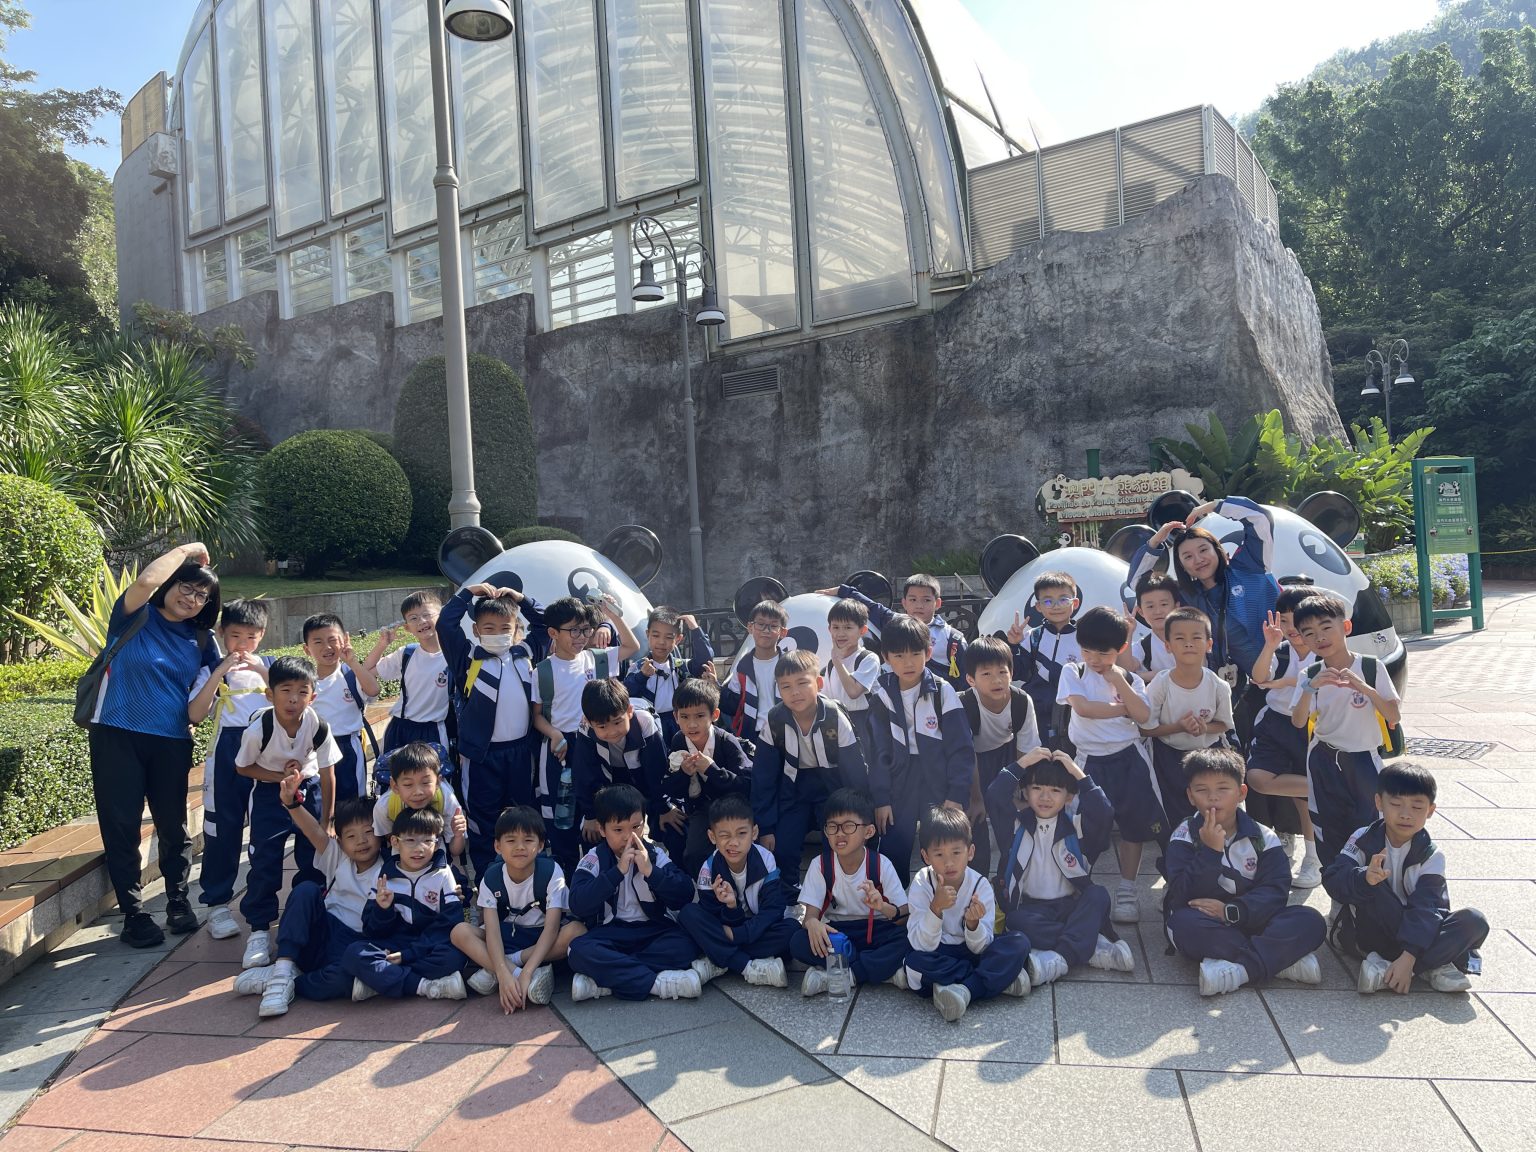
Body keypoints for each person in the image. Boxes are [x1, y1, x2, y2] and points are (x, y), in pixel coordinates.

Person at [85, 540, 221, 947]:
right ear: (170, 584)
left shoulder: (202, 640)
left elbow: (221, 686)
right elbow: (146, 580)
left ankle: (178, 900)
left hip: (171, 741)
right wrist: (189, 549)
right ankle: (133, 914)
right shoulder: (134, 616)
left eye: (202, 595)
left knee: (173, 826)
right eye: (186, 587)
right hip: (116, 733)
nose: (192, 598)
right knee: (122, 825)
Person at [1163, 748, 1326, 996]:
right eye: (1202, 790)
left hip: (1254, 919)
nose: (1213, 798)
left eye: (1222, 789)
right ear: (1190, 796)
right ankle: (1278, 961)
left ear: (1241, 793)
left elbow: (1275, 891)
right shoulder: (1183, 836)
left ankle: (1240, 970)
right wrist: (1210, 852)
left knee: (1310, 920)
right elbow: (1181, 895)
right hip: (1206, 922)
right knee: (1183, 925)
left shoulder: (1263, 836)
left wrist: (1232, 911)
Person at [1324, 763, 1489, 995]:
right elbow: (1333, 879)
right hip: (1372, 931)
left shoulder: (1431, 855)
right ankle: (1434, 965)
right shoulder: (1363, 837)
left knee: (1474, 920)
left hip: (1414, 933)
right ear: (1379, 802)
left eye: (1417, 806)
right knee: (1376, 886)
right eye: (1395, 804)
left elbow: (1427, 908)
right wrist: (1364, 878)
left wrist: (1409, 957)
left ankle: (1393, 971)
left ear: (1430, 810)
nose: (1405, 814)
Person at [231, 788, 382, 1018]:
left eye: (368, 832)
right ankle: (283, 968)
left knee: (349, 981)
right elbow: (312, 831)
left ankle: (291, 980)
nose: (361, 841)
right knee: (306, 889)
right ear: (340, 842)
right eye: (351, 836)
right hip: (319, 933)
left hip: (351, 945)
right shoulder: (338, 858)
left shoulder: (390, 869)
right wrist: (291, 803)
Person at [1056, 606, 1164, 924]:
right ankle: (1078, 884)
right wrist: (1122, 710)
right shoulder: (1073, 671)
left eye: (1103, 653)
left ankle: (1127, 889)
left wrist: (1120, 681)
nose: (1094, 659)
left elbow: (1144, 717)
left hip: (1129, 757)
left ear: (1121, 648)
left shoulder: (1130, 678)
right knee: (1082, 825)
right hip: (1087, 761)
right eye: (1087, 650)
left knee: (1134, 825)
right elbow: (1084, 708)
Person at [1128, 497, 1281, 719]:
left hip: (1282, 665)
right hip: (1228, 686)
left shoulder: (1250, 566)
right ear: (1182, 566)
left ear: (1217, 549)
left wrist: (1214, 506)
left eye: (1203, 550)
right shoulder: (1187, 596)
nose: (1198, 559)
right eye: (1187, 557)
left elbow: (1260, 519)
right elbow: (1138, 583)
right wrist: (1156, 541)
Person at [234, 655, 342, 971]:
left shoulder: (318, 725)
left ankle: (306, 919)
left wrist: (327, 821)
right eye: (285, 690)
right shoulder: (259, 729)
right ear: (270, 694)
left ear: (313, 696)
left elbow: (328, 773)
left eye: (302, 691)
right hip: (270, 795)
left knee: (314, 859)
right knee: (265, 861)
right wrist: (280, 778)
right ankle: (259, 929)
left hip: (308, 790)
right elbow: (243, 767)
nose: (294, 699)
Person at [987, 749, 1130, 985]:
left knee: (1098, 895)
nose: (1045, 797)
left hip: (1070, 906)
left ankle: (1060, 958)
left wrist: (1078, 774)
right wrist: (1023, 763)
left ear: (1069, 797)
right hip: (1032, 909)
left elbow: (1104, 812)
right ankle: (1089, 944)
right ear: (1025, 792)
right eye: (1037, 788)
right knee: (1016, 922)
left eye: (1055, 790)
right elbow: (995, 796)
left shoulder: (1077, 828)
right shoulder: (1015, 826)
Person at [1288, 592, 1401, 867]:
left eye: (1326, 627)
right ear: (1302, 639)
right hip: (1324, 759)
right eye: (1309, 633)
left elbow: (1393, 715)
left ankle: (1368, 881)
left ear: (1346, 627)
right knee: (1328, 826)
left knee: (1370, 824)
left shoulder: (1371, 667)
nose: (1320, 637)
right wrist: (1310, 688)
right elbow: (1298, 721)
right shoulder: (1310, 675)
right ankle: (1336, 881)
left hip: (1364, 758)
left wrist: (1365, 688)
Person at [437, 581, 542, 880]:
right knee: (482, 818)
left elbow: (545, 623)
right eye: (489, 628)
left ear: (516, 628)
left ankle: (524, 874)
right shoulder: (468, 659)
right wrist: (467, 593)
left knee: (522, 813)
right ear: (476, 630)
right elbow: (445, 624)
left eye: (505, 627)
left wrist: (521, 599)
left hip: (521, 753)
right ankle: (487, 879)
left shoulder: (525, 653)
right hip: (481, 756)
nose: (498, 633)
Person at [532, 595, 641, 869]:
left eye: (585, 630)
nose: (582, 637)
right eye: (574, 631)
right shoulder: (542, 671)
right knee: (562, 819)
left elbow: (632, 646)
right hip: (560, 749)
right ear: (553, 633)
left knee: (599, 814)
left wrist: (611, 615)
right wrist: (554, 734)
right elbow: (536, 716)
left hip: (596, 743)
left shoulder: (596, 659)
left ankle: (601, 876)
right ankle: (568, 881)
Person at [866, 614, 975, 885]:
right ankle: (896, 904)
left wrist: (956, 795)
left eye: (915, 654)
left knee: (941, 846)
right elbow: (877, 752)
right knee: (893, 846)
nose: (908, 662)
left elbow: (961, 748)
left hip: (936, 779)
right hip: (898, 782)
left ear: (928, 653)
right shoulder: (881, 694)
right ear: (886, 657)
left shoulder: (942, 691)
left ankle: (944, 901)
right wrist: (881, 798)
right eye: (899, 655)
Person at [566, 784, 700, 1002]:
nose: (628, 837)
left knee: (686, 945)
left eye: (636, 827)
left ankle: (608, 980)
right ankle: (657, 984)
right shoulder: (594, 858)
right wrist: (616, 873)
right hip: (611, 932)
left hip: (652, 930)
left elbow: (684, 894)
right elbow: (578, 903)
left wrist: (651, 872)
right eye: (618, 830)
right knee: (578, 950)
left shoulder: (654, 854)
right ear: (602, 829)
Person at [188, 598, 271, 942]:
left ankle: (262, 903)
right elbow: (195, 714)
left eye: (251, 637)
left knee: (266, 830)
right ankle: (217, 905)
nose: (243, 645)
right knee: (222, 829)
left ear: (262, 635)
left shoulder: (271, 666)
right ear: (222, 632)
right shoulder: (211, 669)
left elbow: (290, 699)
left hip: (266, 754)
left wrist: (262, 671)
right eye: (236, 636)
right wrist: (219, 671)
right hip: (225, 756)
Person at [750, 650, 867, 891]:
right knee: (783, 845)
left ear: (819, 683)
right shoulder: (774, 721)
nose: (795, 692)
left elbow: (855, 769)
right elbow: (763, 777)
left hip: (832, 787)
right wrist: (766, 827)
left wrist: (860, 813)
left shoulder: (834, 716)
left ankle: (835, 893)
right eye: (786, 686)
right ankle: (790, 895)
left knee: (837, 842)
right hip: (793, 788)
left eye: (802, 683)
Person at [902, 807, 1031, 1021]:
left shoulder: (980, 885)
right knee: (914, 963)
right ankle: (994, 980)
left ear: (970, 852)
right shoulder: (922, 883)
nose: (949, 863)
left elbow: (982, 946)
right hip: (939, 952)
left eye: (956, 852)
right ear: (925, 856)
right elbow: (921, 945)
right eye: (939, 854)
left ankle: (964, 989)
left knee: (1019, 942)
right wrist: (935, 909)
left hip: (972, 952)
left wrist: (973, 925)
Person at [450, 806, 584, 1011]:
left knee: (577, 931)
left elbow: (551, 929)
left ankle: (498, 967)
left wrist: (525, 971)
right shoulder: (491, 878)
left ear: (540, 845)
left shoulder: (551, 872)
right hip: (506, 937)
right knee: (459, 932)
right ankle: (510, 974)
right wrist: (507, 975)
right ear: (497, 846)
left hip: (540, 940)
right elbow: (492, 932)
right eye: (511, 841)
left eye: (528, 840)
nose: (520, 847)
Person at [791, 788, 910, 997]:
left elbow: (904, 916)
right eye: (832, 826)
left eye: (848, 826)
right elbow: (810, 917)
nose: (839, 833)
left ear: (868, 832)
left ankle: (844, 974)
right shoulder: (820, 865)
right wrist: (812, 924)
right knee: (798, 942)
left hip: (878, 930)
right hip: (839, 934)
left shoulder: (881, 864)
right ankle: (882, 971)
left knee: (909, 936)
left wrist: (882, 906)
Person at [344, 807, 467, 1001]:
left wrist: (408, 955)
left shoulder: (443, 875)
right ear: (395, 842)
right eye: (410, 840)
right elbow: (371, 930)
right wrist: (383, 909)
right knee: (354, 953)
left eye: (427, 841)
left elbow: (449, 924)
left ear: (436, 844)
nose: (419, 848)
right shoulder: (384, 876)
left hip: (428, 946)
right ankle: (424, 986)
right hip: (394, 943)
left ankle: (382, 980)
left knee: (453, 957)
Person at [1246, 591, 1323, 887]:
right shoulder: (1280, 650)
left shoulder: (1324, 652)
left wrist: (1287, 681)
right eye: (1286, 621)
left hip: (1311, 727)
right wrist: (1269, 645)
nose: (1293, 628)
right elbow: (1259, 677)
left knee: (1303, 802)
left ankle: (1313, 859)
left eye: (1299, 621)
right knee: (1257, 779)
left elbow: (1321, 681)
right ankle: (1327, 786)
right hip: (1275, 724)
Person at [680, 794, 796, 988]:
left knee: (792, 930)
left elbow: (773, 910)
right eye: (724, 835)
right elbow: (711, 918)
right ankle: (746, 966)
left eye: (741, 833)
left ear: (754, 832)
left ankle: (718, 960)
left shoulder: (766, 859)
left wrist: (737, 935)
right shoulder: (708, 869)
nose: (733, 842)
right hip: (728, 927)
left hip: (754, 928)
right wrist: (731, 907)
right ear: (712, 837)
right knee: (688, 914)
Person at [1139, 607, 1234, 826]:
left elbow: (1224, 724)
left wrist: (1205, 728)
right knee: (1175, 812)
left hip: (1207, 754)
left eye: (1196, 637)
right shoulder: (1160, 684)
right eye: (1180, 638)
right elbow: (1145, 728)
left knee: (1210, 809)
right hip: (1168, 755)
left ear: (1209, 644)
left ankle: (1211, 843)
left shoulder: (1219, 686)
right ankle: (1177, 845)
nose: (1188, 644)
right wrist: (1178, 727)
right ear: (1168, 646)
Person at [960, 635, 1039, 876]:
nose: (997, 680)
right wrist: (976, 798)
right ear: (971, 679)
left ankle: (1012, 876)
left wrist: (1021, 787)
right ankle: (978, 878)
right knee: (975, 821)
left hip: (1007, 758)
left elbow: (1026, 750)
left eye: (1002, 672)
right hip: (971, 764)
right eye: (986, 674)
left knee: (1010, 818)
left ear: (1011, 673)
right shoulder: (963, 704)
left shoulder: (1022, 701)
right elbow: (966, 754)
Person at [570, 679, 668, 861]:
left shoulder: (644, 722)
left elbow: (658, 771)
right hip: (606, 783)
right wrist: (590, 815)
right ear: (589, 722)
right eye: (602, 726)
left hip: (641, 779)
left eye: (617, 722)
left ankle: (660, 865)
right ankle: (602, 870)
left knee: (672, 826)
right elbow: (584, 775)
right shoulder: (585, 730)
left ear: (629, 711)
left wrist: (664, 807)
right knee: (591, 834)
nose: (612, 731)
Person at [663, 677, 753, 876]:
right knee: (693, 853)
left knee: (735, 852)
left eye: (700, 716)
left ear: (714, 715)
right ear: (675, 717)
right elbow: (671, 786)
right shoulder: (678, 741)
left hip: (732, 809)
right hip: (701, 809)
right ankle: (703, 889)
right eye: (684, 716)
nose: (692, 724)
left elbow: (746, 785)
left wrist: (712, 770)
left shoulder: (726, 741)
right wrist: (684, 774)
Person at [825, 574, 968, 687]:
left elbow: (965, 678)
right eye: (913, 600)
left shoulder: (952, 637)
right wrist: (845, 591)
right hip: (897, 695)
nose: (919, 605)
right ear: (904, 602)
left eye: (926, 600)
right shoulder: (894, 622)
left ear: (937, 603)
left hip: (935, 698)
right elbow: (873, 607)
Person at [301, 613, 379, 802]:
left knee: (353, 804)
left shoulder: (351, 675)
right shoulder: (304, 681)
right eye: (318, 642)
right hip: (314, 749)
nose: (327, 647)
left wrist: (352, 661)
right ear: (306, 649)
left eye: (332, 640)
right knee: (319, 801)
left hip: (348, 747)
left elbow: (374, 690)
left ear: (344, 640)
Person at [364, 590, 451, 752]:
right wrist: (383, 644)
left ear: (441, 616)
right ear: (407, 627)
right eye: (413, 618)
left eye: (427, 614)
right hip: (400, 729)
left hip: (434, 731)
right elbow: (366, 671)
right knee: (392, 769)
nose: (421, 621)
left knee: (435, 770)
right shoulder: (406, 653)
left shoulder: (453, 656)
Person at [1007, 572, 1081, 747]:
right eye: (1048, 601)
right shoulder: (1032, 637)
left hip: (1072, 717)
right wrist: (1014, 646)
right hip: (1035, 716)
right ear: (1038, 606)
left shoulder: (1084, 638)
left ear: (1075, 603)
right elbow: (1017, 673)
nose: (1056, 606)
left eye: (1063, 599)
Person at [622, 607, 715, 745]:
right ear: (647, 634)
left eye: (669, 637)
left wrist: (695, 629)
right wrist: (642, 676)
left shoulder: (681, 666)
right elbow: (626, 693)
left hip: (678, 722)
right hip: (650, 725)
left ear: (678, 639)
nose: (661, 642)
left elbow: (705, 660)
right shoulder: (638, 667)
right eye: (656, 635)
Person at [371, 741, 466, 861]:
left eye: (425, 783)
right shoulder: (384, 807)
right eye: (408, 784)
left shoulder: (447, 800)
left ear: (438, 782)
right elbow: (390, 838)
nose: (418, 792)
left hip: (436, 856)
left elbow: (455, 851)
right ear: (394, 786)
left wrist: (458, 835)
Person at [719, 599, 788, 739]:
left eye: (773, 626)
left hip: (785, 734)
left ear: (783, 632)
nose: (766, 630)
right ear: (750, 627)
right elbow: (732, 705)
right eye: (761, 624)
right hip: (752, 735)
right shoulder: (743, 666)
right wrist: (715, 686)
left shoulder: (790, 664)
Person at [821, 597, 882, 756]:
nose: (841, 633)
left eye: (848, 627)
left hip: (864, 723)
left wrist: (837, 661)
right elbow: (826, 699)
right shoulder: (831, 664)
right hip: (837, 722)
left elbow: (853, 692)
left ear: (862, 630)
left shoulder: (868, 659)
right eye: (836, 627)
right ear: (829, 629)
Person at [1122, 571, 1180, 683]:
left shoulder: (1193, 636)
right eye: (1150, 606)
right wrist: (1128, 633)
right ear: (1141, 612)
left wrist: (1146, 676)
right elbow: (1126, 670)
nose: (1157, 611)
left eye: (1164, 604)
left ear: (1176, 606)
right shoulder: (1143, 646)